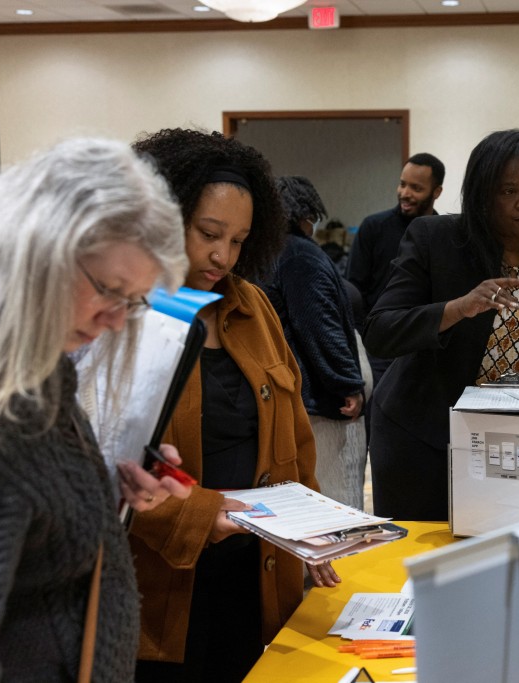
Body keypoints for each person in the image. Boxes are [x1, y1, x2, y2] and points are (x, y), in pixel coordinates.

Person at [0, 138, 192, 682]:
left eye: (134, 302)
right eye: (109, 290)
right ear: (38, 253)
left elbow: (30, 522)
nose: (116, 321)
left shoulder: (42, 369)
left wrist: (106, 485)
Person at [128, 129, 337, 683]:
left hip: (256, 572)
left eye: (240, 241)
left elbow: (294, 441)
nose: (222, 255)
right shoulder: (125, 317)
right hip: (165, 585)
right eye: (208, 234)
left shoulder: (252, 307)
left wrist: (314, 527)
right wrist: (198, 517)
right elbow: (104, 465)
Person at [364, 129, 519, 521]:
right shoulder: (434, 238)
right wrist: (457, 308)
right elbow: (380, 331)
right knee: (424, 564)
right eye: (508, 191)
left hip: (505, 442)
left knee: (494, 557)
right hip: (421, 439)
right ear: (482, 195)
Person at [261, 176, 367, 510]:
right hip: (318, 404)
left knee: (302, 499)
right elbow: (318, 324)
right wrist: (346, 383)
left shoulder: (265, 252)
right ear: (305, 213)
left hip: (288, 396)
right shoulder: (299, 253)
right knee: (334, 500)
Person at [347, 152, 445, 389]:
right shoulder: (374, 227)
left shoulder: (443, 234)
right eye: (402, 184)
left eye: (416, 188)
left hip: (426, 349)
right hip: (379, 350)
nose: (405, 193)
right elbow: (353, 290)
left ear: (436, 192)